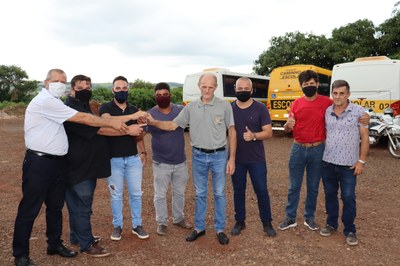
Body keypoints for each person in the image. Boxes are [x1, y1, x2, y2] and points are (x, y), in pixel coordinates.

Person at [12, 69, 127, 266]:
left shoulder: (56, 103)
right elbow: (83, 119)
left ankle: (54, 244)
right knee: (30, 209)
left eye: (63, 81)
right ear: (46, 82)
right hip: (39, 163)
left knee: (55, 208)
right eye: (56, 80)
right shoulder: (45, 101)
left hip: (58, 163)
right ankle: (20, 254)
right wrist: (114, 122)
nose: (59, 84)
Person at [147, 73, 236, 245]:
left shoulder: (225, 106)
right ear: (199, 86)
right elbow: (172, 125)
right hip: (199, 156)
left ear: (216, 87)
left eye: (210, 87)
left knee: (219, 193)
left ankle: (219, 229)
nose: (207, 90)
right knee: (200, 193)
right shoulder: (190, 108)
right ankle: (199, 228)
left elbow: (232, 131)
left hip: (219, 155)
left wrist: (231, 158)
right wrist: (153, 122)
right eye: (204, 86)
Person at [64, 75, 146, 258]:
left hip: (88, 162)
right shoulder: (78, 109)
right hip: (81, 164)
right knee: (84, 204)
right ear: (72, 89)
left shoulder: (82, 106)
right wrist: (130, 125)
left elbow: (138, 135)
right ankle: (87, 243)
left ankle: (77, 236)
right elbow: (100, 128)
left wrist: (141, 139)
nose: (86, 89)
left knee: (77, 204)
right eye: (81, 86)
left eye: (88, 85)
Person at [278, 70, 333, 231]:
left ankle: (310, 217)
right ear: (301, 86)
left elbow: (344, 107)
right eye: (305, 84)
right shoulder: (296, 104)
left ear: (317, 84)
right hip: (298, 149)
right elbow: (288, 128)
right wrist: (287, 126)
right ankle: (290, 218)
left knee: (313, 186)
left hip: (317, 149)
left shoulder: (327, 102)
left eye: (311, 84)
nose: (308, 86)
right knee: (294, 186)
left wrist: (363, 115)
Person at [99, 76, 149, 241]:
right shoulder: (105, 107)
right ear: (113, 90)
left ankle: (137, 225)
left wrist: (143, 152)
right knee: (116, 195)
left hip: (133, 159)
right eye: (118, 88)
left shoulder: (133, 109)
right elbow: (107, 121)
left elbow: (139, 134)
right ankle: (117, 226)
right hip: (113, 160)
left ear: (128, 89)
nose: (121, 91)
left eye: (124, 88)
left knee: (136, 194)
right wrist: (132, 119)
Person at [319, 80, 369, 246]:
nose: (338, 96)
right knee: (330, 195)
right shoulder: (327, 111)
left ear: (348, 94)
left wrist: (361, 161)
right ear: (332, 94)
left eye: (342, 93)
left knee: (348, 197)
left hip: (349, 165)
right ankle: (331, 224)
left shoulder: (358, 111)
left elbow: (364, 137)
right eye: (335, 93)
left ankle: (350, 230)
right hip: (328, 163)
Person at [230, 77, 276, 237]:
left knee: (262, 191)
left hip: (256, 159)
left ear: (252, 90)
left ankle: (267, 222)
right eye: (239, 88)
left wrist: (254, 136)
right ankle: (239, 221)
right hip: (236, 158)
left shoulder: (260, 108)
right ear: (235, 89)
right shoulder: (229, 109)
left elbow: (269, 132)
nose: (242, 91)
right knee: (238, 191)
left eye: (246, 88)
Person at [145, 82, 192, 236]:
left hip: (180, 161)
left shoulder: (180, 110)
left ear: (170, 95)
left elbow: (175, 125)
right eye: (159, 95)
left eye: (165, 94)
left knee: (179, 192)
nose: (162, 97)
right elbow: (140, 135)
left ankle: (178, 219)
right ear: (155, 97)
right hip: (160, 162)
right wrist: (142, 151)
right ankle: (162, 222)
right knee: (160, 194)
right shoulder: (149, 114)